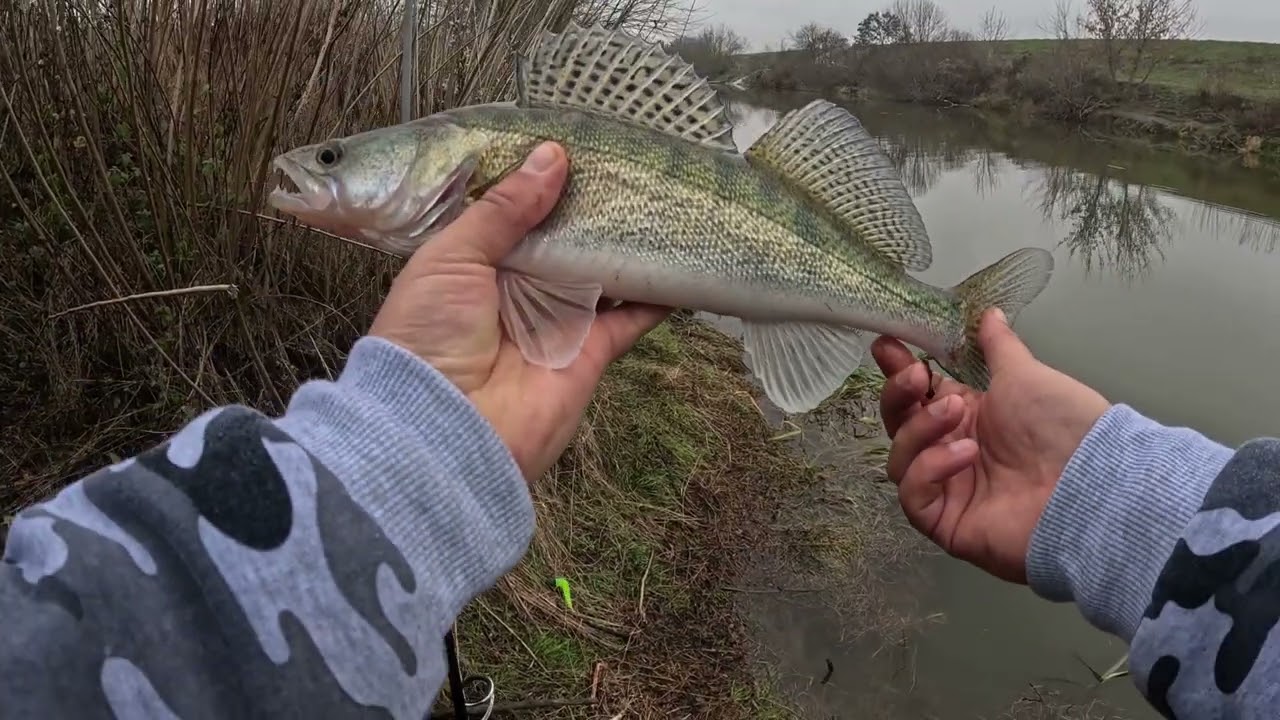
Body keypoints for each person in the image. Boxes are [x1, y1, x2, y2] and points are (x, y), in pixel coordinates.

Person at [0, 141, 1272, 720]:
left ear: (457, 167)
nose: (317, 177)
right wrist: (1132, 508)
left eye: (337, 161)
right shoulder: (481, 203)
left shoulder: (509, 164)